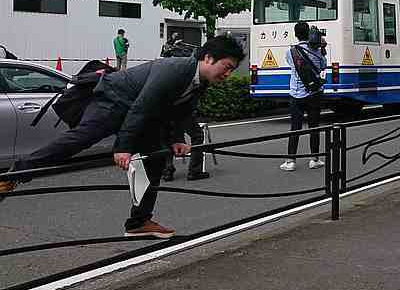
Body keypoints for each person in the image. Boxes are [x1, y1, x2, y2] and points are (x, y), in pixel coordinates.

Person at [1, 37, 243, 237]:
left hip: (133, 109)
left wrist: (177, 139)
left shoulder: (200, 81)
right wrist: (122, 147)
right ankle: (14, 174)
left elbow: (178, 110)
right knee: (81, 139)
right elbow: (143, 107)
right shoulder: (176, 69)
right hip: (112, 100)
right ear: (208, 58)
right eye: (227, 67)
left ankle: (139, 223)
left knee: (156, 158)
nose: (228, 74)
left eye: (232, 70)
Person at [281, 21, 328, 172]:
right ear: (308, 34)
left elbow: (291, 65)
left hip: (296, 94)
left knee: (295, 127)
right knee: (314, 126)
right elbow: (322, 66)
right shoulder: (316, 51)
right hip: (314, 94)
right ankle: (314, 159)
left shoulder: (291, 52)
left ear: (295, 34)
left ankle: (291, 161)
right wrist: (323, 49)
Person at [162, 115, 210, 182]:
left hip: (162, 113)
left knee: (167, 138)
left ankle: (167, 170)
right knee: (197, 136)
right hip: (181, 111)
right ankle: (195, 171)